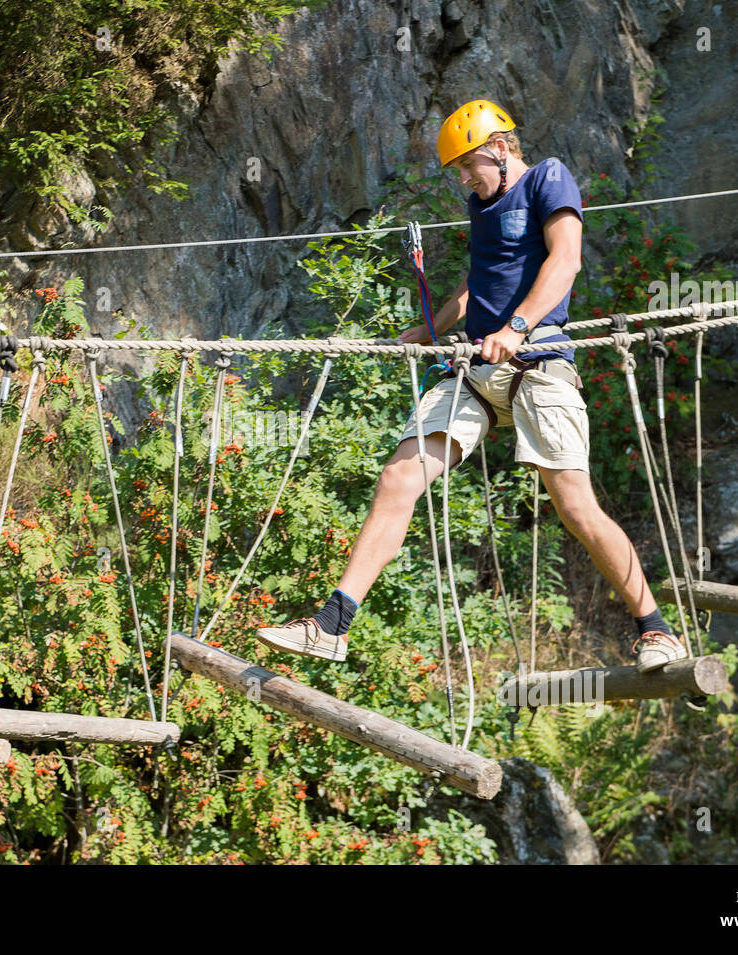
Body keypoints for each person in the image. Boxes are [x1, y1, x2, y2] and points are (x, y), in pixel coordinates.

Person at [256, 99, 688, 674]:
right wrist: (427, 329)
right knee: (400, 475)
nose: (463, 178)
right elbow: (475, 283)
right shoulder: (479, 205)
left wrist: (517, 327)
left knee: (575, 507)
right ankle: (332, 626)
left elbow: (566, 261)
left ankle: (656, 630)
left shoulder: (547, 179)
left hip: (539, 361)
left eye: (468, 166)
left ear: (501, 150)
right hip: (476, 371)